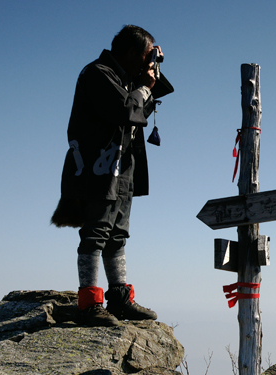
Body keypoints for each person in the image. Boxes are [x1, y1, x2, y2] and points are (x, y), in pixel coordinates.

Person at [52, 25, 172, 327]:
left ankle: (118, 297)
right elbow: (124, 109)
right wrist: (144, 86)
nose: (150, 61)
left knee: (117, 234)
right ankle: (88, 304)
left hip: (120, 168)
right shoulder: (98, 73)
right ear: (131, 52)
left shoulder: (125, 77)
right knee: (96, 232)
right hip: (96, 167)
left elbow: (156, 94)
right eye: (147, 54)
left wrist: (151, 72)